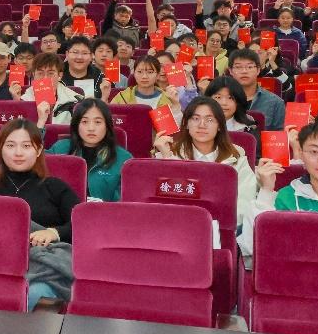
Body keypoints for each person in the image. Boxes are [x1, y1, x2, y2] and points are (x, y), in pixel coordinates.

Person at [153, 96, 258, 251]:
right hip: (175, 232)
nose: (202, 125)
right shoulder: (168, 154)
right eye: (195, 119)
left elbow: (245, 203)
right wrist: (166, 159)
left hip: (221, 234)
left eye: (209, 120)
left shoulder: (236, 159)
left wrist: (212, 225)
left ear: (220, 126)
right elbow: (160, 202)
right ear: (186, 124)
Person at [0, 118, 80, 249]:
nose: (18, 153)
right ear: (0, 149)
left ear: (39, 150)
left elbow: (82, 223)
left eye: (26, 146)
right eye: (10, 146)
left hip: (44, 256)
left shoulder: (56, 188)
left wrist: (54, 233)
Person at [47, 98, 132, 202]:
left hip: (104, 212)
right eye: (85, 122)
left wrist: (103, 206)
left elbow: (126, 201)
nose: (91, 128)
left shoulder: (124, 159)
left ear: (107, 125)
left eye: (97, 122)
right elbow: (35, 164)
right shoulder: (60, 148)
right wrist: (41, 123)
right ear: (76, 125)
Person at [15, 52, 82, 126]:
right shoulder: (24, 100)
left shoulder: (76, 101)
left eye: (50, 73)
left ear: (60, 75)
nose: (45, 78)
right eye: (40, 73)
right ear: (34, 75)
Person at [228, 48, 284, 131]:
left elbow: (278, 135)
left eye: (250, 67)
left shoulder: (275, 102)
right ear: (230, 71)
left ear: (258, 70)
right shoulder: (221, 101)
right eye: (238, 67)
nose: (244, 71)